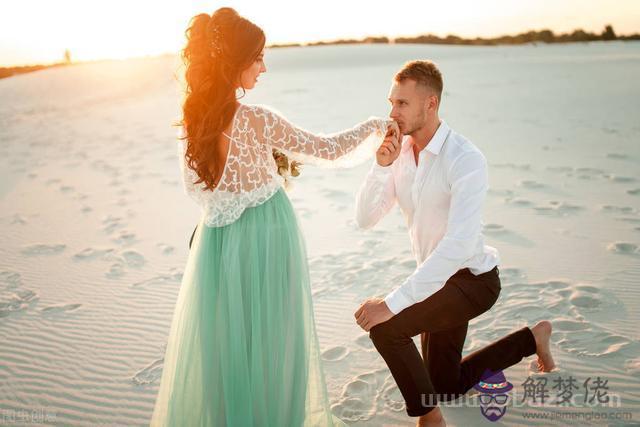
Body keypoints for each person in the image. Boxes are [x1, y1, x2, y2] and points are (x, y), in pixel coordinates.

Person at [150, 7, 397, 426]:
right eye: (258, 57)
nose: (263, 67)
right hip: (268, 235)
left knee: (226, 344)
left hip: (217, 244)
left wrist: (245, 184)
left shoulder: (195, 124)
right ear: (236, 62)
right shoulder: (258, 120)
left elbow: (201, 192)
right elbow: (326, 149)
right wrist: (375, 126)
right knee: (275, 341)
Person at [353, 60, 555, 427]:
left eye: (402, 104)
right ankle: (532, 339)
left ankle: (430, 419)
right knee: (444, 386)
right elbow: (365, 219)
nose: (392, 113)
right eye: (391, 102)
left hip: (471, 281)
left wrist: (392, 303)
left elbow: (459, 245)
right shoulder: (399, 155)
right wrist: (380, 166)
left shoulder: (465, 158)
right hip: (434, 279)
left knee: (387, 329)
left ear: (430, 104)